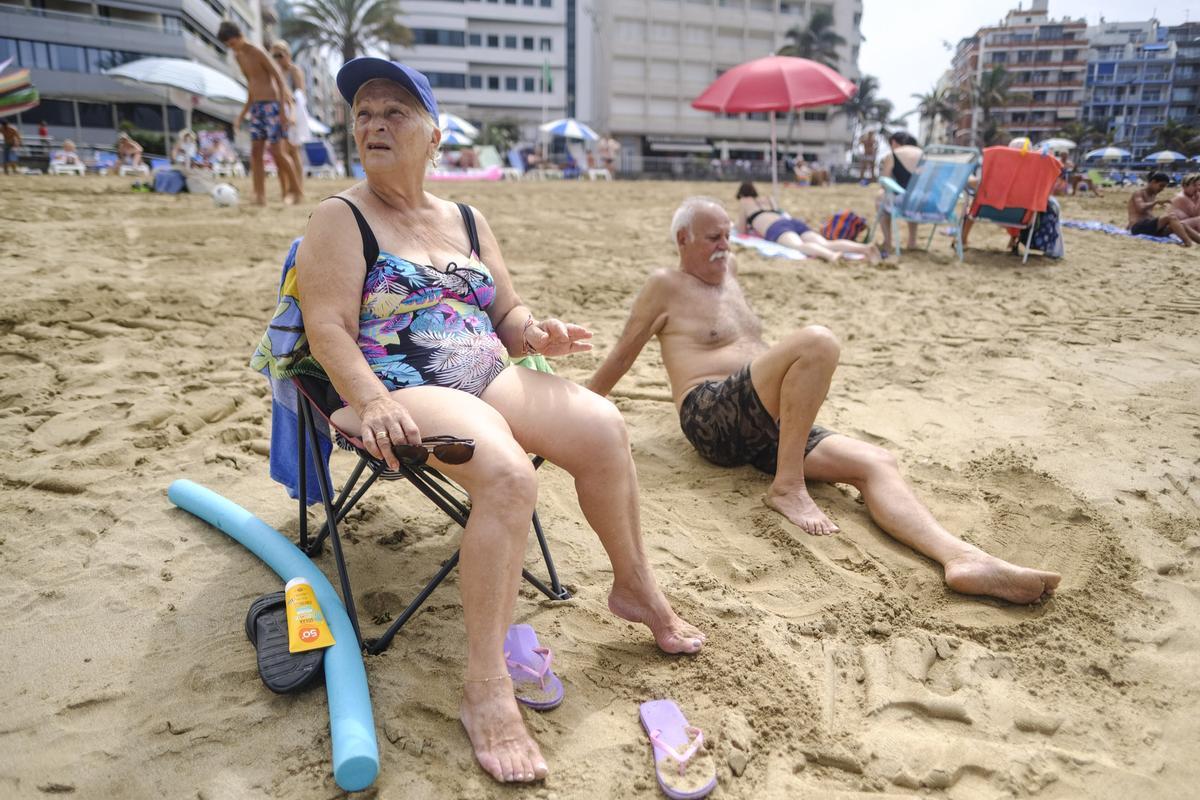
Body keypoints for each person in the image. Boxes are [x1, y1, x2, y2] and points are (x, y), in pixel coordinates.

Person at [297, 57, 705, 785]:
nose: (373, 123)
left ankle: (634, 584)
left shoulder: (468, 218)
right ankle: (484, 688)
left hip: (489, 371)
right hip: (400, 382)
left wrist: (535, 333)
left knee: (604, 425)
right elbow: (326, 327)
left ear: (434, 135)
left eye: (394, 111)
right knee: (510, 476)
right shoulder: (341, 216)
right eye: (363, 112)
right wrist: (377, 400)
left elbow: (504, 315)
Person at [588, 197, 1062, 606]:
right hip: (711, 417)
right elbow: (622, 356)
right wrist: (575, 410)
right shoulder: (664, 285)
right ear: (682, 238)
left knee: (877, 461)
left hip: (762, 420)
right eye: (713, 237)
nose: (724, 246)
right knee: (818, 342)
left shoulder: (729, 271)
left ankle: (961, 559)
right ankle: (787, 487)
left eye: (728, 236)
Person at [218, 21, 302, 205]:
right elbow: (251, 86)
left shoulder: (258, 52)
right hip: (257, 107)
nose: (231, 48)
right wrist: (242, 114)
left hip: (272, 106)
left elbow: (279, 80)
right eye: (228, 46)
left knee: (277, 152)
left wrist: (282, 109)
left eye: (231, 43)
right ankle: (259, 195)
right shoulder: (238, 56)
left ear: (239, 36)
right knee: (256, 152)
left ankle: (296, 191)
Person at [736, 181, 880, 263]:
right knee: (825, 242)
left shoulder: (744, 202)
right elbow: (779, 211)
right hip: (790, 221)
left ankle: (830, 256)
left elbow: (741, 230)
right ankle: (864, 248)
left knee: (799, 246)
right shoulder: (768, 199)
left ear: (741, 194)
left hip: (775, 227)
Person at [270, 40, 309, 195]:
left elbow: (300, 93)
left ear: (288, 54)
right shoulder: (273, 73)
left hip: (295, 111)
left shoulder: (294, 70)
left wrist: (291, 110)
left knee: (293, 150)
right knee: (281, 151)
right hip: (279, 111)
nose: (278, 59)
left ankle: (297, 187)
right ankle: (286, 189)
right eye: (274, 56)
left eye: (280, 55)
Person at [876, 131, 923, 256]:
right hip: (925, 203)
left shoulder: (893, 154)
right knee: (913, 198)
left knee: (881, 197)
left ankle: (887, 241)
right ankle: (912, 241)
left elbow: (884, 182)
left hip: (904, 201)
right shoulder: (925, 154)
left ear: (894, 143)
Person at [1128, 172, 1199, 246]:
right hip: (1138, 228)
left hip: (1148, 228)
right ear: (1153, 182)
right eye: (1161, 186)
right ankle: (1188, 243)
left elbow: (1144, 214)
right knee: (1171, 216)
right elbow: (1140, 208)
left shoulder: (1152, 195)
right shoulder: (1139, 193)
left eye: (1164, 187)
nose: (1162, 189)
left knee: (1181, 224)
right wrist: (1156, 202)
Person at [1167, 173, 1200, 237]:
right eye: (1194, 185)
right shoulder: (1181, 197)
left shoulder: (1193, 195)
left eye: (1197, 185)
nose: (1197, 188)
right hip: (1175, 226)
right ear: (1184, 186)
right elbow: (1194, 213)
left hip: (1184, 224)